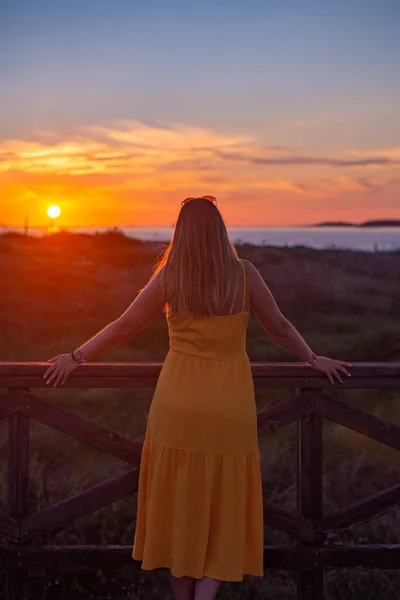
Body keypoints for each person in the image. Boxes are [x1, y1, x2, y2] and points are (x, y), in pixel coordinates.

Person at [44, 196, 351, 600]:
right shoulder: (243, 274)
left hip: (178, 400)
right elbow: (279, 325)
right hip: (229, 403)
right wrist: (312, 358)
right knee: (224, 504)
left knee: (178, 505)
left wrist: (75, 356)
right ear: (220, 230)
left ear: (180, 233)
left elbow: (124, 326)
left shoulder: (171, 275)